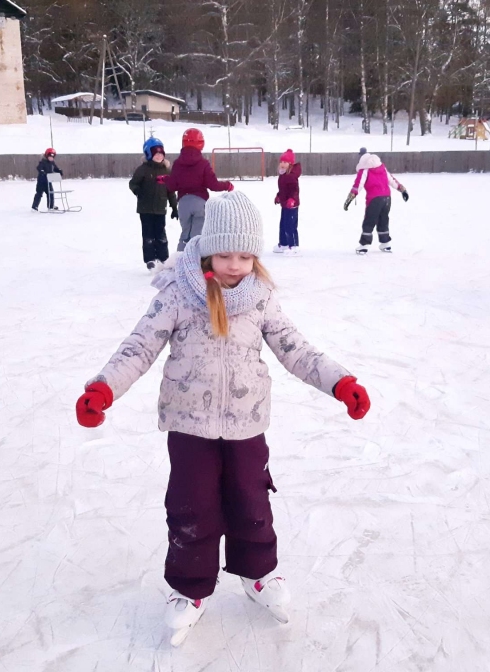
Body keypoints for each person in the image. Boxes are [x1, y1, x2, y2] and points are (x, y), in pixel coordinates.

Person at [74, 191, 371, 645]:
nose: (235, 265)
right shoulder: (179, 293)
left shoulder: (260, 298)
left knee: (252, 502)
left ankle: (258, 575)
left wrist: (340, 382)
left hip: (246, 423)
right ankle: (189, 590)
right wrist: (103, 387)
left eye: (246, 256)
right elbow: (139, 345)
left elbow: (297, 349)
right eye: (226, 254)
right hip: (189, 426)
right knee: (192, 507)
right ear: (208, 246)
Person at [158, 128, 234, 251]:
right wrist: (227, 185)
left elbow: (173, 185)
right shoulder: (203, 164)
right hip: (200, 203)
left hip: (183, 203)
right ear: (201, 143)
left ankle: (180, 260)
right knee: (197, 236)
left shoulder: (178, 163)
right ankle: (195, 262)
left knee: (185, 235)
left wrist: (166, 179)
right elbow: (213, 184)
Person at [344, 149, 409, 254]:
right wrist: (402, 190)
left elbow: (358, 185)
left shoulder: (364, 170)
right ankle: (385, 243)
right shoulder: (382, 167)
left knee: (369, 220)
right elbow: (392, 180)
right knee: (383, 220)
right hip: (387, 198)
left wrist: (350, 198)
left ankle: (364, 245)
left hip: (374, 199)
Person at [130, 137, 179, 271]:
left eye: (161, 154)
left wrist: (174, 207)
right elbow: (133, 183)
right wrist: (138, 191)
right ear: (149, 154)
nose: (159, 156)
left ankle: (163, 258)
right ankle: (150, 259)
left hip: (160, 208)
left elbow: (171, 191)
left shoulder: (166, 171)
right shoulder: (142, 169)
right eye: (156, 154)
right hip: (145, 209)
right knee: (148, 235)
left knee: (161, 235)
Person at [273, 149, 301, 254]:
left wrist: (292, 199)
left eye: (285, 162)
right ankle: (283, 244)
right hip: (284, 205)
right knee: (283, 225)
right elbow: (283, 190)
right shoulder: (282, 175)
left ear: (290, 164)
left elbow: (295, 190)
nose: (282, 164)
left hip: (292, 205)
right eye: (281, 162)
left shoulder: (291, 176)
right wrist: (279, 196)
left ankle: (293, 246)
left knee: (290, 225)